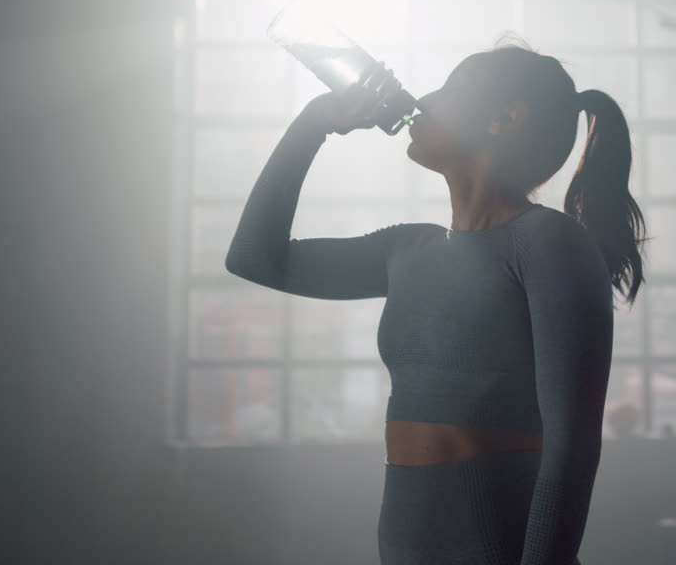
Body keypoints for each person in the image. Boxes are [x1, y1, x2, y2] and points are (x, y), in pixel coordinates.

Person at [225, 38, 648, 564]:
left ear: (503, 118)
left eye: (450, 89)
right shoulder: (407, 249)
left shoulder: (547, 242)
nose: (423, 98)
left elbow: (572, 449)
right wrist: (316, 120)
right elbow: (253, 258)